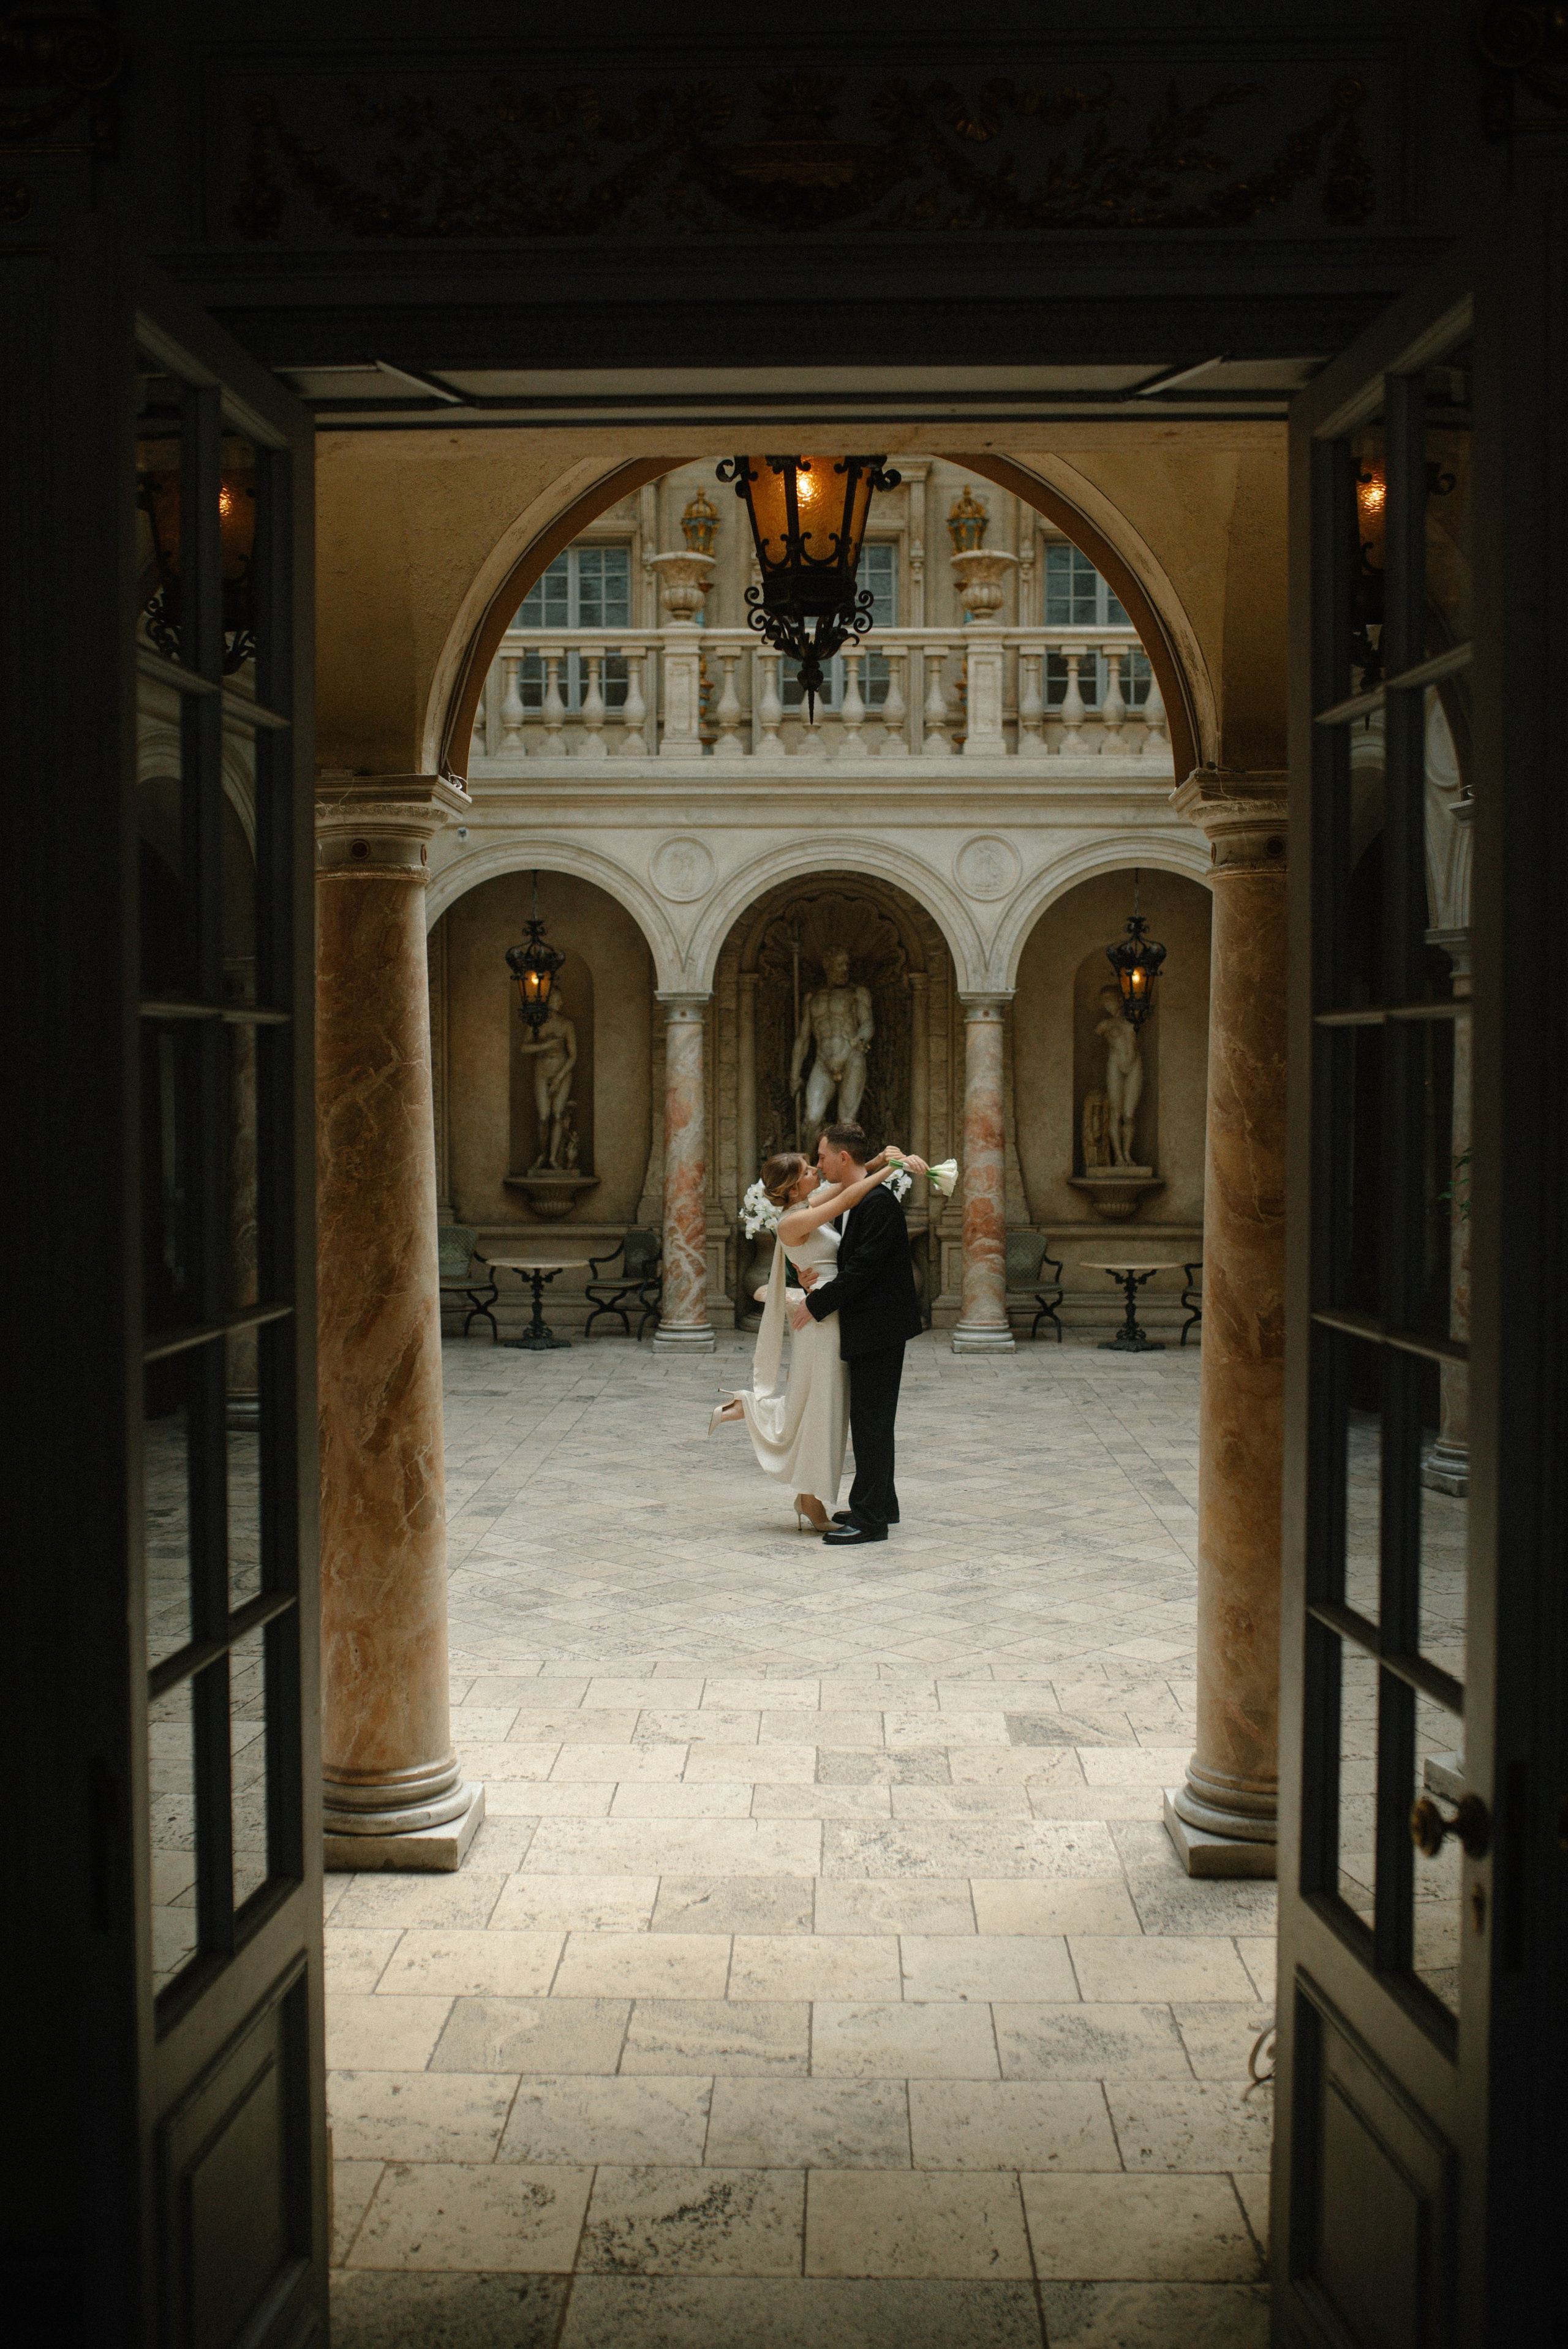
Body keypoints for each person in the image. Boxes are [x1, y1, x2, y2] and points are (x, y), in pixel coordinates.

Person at [709, 1141, 917, 1533]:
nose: (816, 1170)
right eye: (808, 1170)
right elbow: (849, 1196)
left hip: (833, 1313)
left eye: (817, 1162)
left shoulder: (807, 1205)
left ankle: (811, 1498)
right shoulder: (792, 1221)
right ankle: (803, 1488)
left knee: (823, 1408)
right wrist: (893, 1170)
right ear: (792, 1188)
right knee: (821, 1408)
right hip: (822, 1320)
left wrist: (874, 1162)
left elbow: (844, 1186)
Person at [794, 1120, 927, 1545]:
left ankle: (871, 1521)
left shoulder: (877, 1203)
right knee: (873, 1421)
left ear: (842, 1157)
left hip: (879, 1327)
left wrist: (816, 1304)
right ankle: (882, 1504)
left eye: (822, 1157)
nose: (819, 1165)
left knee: (871, 1424)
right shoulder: (860, 1196)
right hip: (874, 1325)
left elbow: (862, 1270)